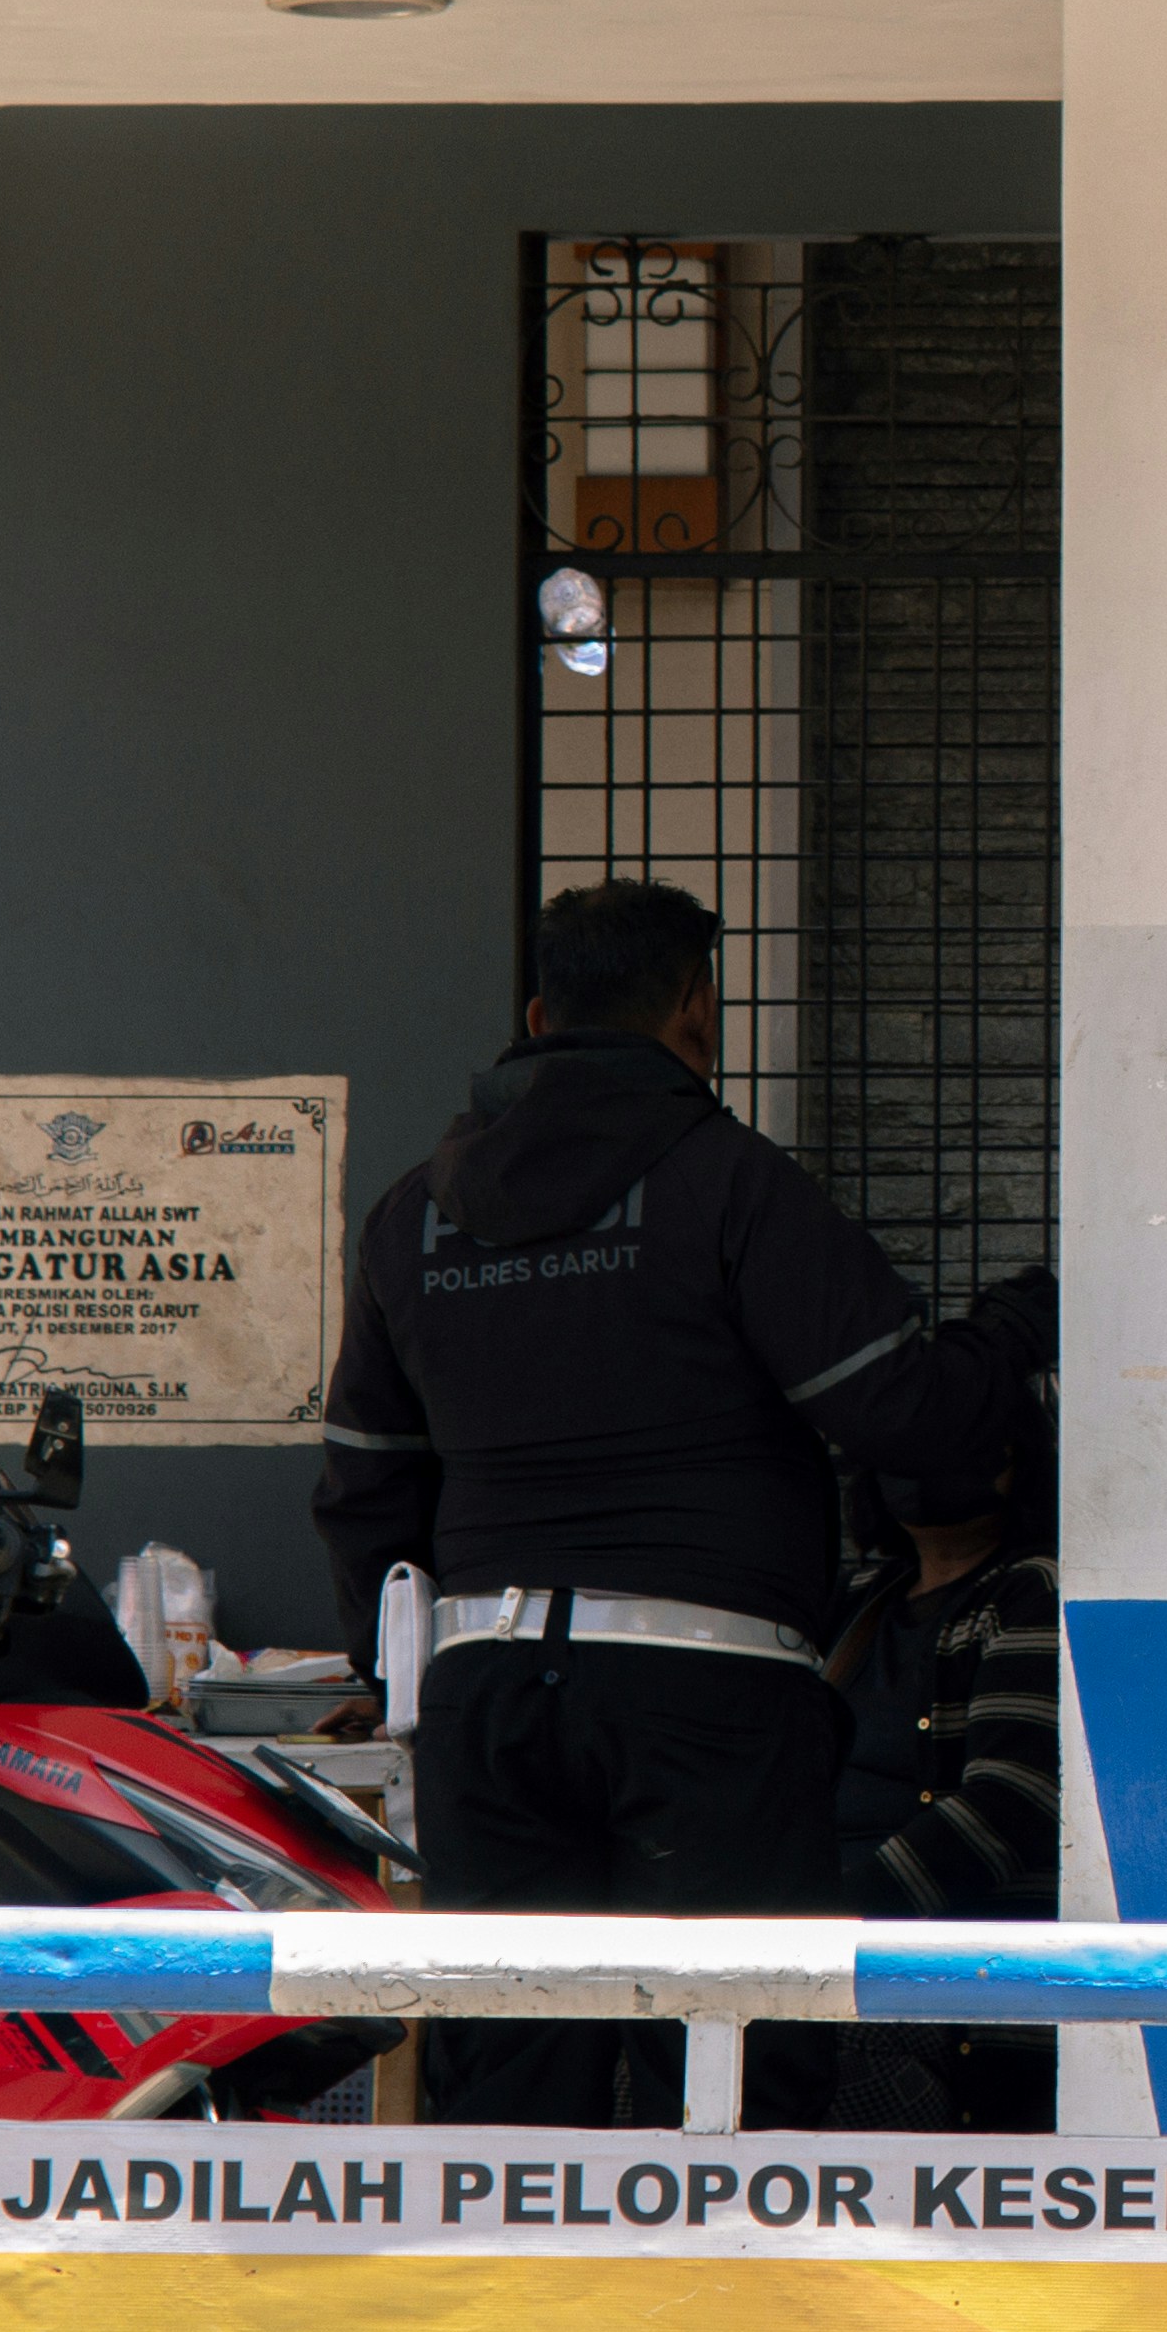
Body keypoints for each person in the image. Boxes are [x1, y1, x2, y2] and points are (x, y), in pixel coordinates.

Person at [314, 879, 1053, 2129]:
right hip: (704, 1693)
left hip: (486, 1697)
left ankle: (515, 2317)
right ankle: (716, 2319)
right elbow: (901, 1410)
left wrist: (402, 1679)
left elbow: (363, 1486)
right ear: (697, 1014)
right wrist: (1018, 1323)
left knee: (512, 2065)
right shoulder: (729, 1184)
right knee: (732, 2056)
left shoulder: (410, 1217)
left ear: (539, 1015)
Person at [819, 1417, 1065, 2132]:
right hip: (824, 1969)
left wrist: (824, 1928)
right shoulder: (857, 1603)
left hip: (932, 2003)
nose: (928, 1462)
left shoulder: (1031, 1589)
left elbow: (1013, 1804)